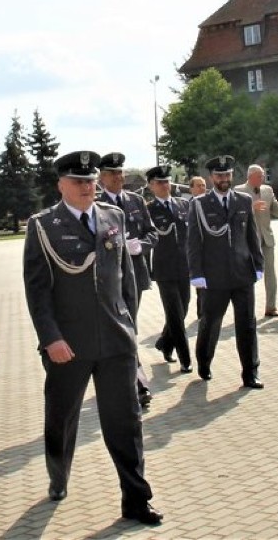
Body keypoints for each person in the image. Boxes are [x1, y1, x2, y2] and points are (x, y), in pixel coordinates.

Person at [23, 150, 163, 525]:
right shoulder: (42, 226)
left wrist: (131, 329)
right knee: (62, 416)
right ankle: (58, 475)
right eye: (78, 181)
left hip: (116, 340)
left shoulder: (113, 216)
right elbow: (37, 291)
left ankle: (136, 498)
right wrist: (50, 338)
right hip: (69, 344)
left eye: (91, 180)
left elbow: (125, 280)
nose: (87, 187)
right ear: (61, 185)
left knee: (126, 422)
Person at [187, 155, 265, 389]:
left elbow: (252, 235)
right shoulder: (199, 204)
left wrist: (258, 264)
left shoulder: (242, 200)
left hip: (242, 274)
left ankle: (250, 372)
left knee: (247, 325)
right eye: (219, 175)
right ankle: (204, 361)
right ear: (212, 177)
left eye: (227, 175)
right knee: (211, 324)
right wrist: (196, 273)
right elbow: (193, 242)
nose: (224, 179)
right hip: (214, 277)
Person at [96, 152, 158, 408]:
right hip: (108, 279)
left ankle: (131, 380)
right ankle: (138, 383)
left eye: (120, 172)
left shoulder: (135, 200)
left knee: (129, 327)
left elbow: (152, 232)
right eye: (112, 173)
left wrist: (140, 245)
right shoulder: (95, 203)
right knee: (122, 329)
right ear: (102, 177)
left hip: (134, 274)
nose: (119, 177)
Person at [145, 165, 192, 372]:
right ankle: (185, 359)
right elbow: (146, 240)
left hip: (184, 266)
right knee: (174, 313)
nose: (165, 185)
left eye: (167, 181)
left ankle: (164, 342)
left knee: (184, 309)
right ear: (151, 186)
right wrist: (146, 271)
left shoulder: (183, 205)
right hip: (164, 269)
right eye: (160, 182)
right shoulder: (149, 210)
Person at [234, 165, 278, 317]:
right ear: (250, 176)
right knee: (247, 275)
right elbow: (235, 215)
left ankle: (271, 307)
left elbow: (276, 211)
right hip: (248, 241)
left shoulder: (268, 190)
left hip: (267, 239)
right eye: (259, 176)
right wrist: (251, 208)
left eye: (263, 175)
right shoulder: (238, 191)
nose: (262, 178)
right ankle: (246, 310)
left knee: (270, 273)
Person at [188, 175, 208, 318]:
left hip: (210, 251)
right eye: (199, 185)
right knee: (200, 285)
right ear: (191, 189)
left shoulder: (211, 203)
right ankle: (202, 315)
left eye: (203, 185)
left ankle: (206, 313)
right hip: (194, 251)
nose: (202, 188)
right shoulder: (186, 206)